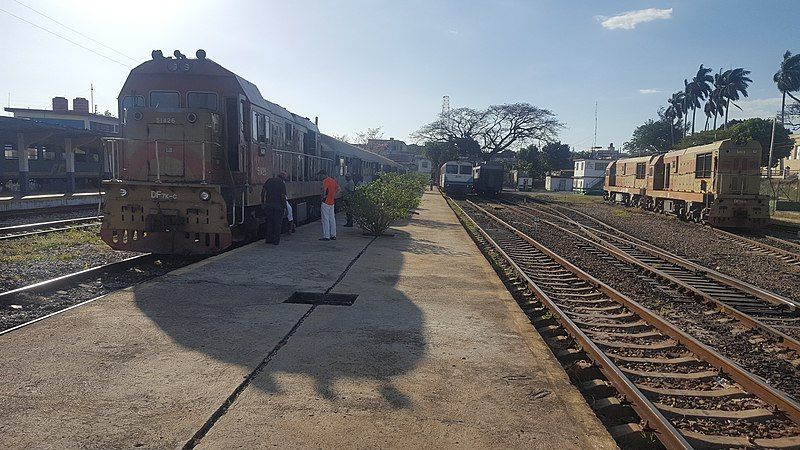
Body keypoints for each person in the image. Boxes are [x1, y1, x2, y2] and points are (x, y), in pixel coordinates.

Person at [261, 173, 286, 245]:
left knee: (269, 223)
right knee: (277, 224)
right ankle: (276, 241)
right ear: (283, 178)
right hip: (278, 206)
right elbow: (283, 196)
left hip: (269, 205)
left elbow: (263, 192)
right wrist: (285, 207)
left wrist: (262, 202)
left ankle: (268, 240)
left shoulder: (269, 181)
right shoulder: (282, 183)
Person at [318, 169, 339, 241]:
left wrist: (323, 197)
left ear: (323, 175)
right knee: (332, 219)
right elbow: (338, 188)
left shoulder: (325, 181)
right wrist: (333, 195)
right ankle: (333, 235)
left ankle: (326, 236)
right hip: (332, 202)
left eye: (320, 175)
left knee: (325, 219)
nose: (320, 177)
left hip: (325, 202)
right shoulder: (333, 180)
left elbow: (324, 189)